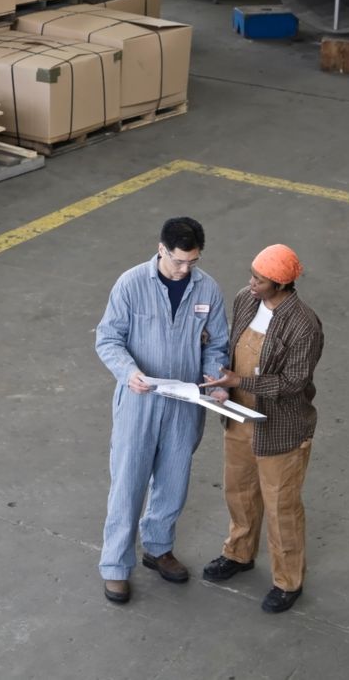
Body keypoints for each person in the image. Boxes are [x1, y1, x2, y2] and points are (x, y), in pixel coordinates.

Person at [96, 217, 230, 604]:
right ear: (161, 250)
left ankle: (157, 548)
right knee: (128, 484)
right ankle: (116, 568)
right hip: (140, 401)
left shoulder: (207, 288)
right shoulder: (131, 284)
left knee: (173, 482)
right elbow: (108, 339)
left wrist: (213, 377)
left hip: (186, 402)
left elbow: (217, 345)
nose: (186, 269)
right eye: (179, 261)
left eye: (193, 261)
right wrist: (129, 372)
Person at [200, 244, 324, 614]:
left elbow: (294, 382)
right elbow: (231, 348)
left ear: (281, 284)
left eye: (259, 279)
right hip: (239, 416)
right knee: (239, 492)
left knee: (281, 507)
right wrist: (223, 380)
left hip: (282, 429)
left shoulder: (303, 324)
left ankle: (288, 581)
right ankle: (238, 554)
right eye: (252, 275)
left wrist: (242, 379)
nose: (250, 282)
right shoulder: (246, 300)